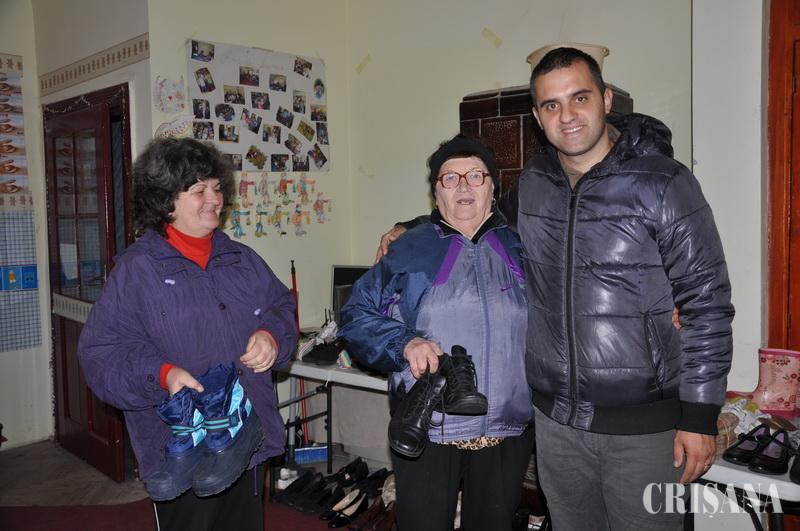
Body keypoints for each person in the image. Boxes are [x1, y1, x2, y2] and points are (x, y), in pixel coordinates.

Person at [377, 48, 734, 530]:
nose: (567, 115)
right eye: (551, 104)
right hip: (555, 425)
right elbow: (480, 221)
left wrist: (699, 416)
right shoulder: (535, 183)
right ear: (537, 116)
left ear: (606, 100)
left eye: (579, 97)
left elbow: (707, 304)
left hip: (645, 429)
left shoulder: (665, 184)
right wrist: (413, 228)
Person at [77, 138, 297, 531]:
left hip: (246, 438)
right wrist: (161, 374)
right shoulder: (136, 271)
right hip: (180, 451)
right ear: (166, 201)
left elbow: (282, 306)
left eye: (216, 187)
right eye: (199, 190)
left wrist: (272, 336)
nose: (214, 199)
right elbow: (101, 354)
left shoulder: (242, 259)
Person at [341, 135, 534, 531]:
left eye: (475, 176)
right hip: (429, 424)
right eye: (450, 178)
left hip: (507, 426)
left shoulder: (521, 249)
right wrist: (404, 342)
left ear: (493, 188)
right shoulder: (410, 249)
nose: (463, 186)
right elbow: (355, 315)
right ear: (436, 192)